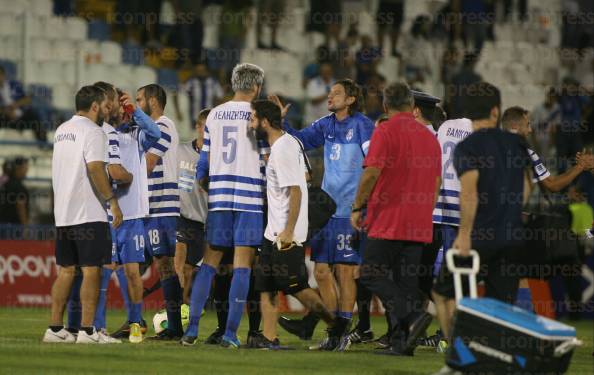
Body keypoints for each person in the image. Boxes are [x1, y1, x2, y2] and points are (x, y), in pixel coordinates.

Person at [431, 82, 532, 375]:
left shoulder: (468, 146)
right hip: (513, 237)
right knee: (502, 308)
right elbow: (527, 185)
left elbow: (469, 191)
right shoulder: (517, 143)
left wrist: (463, 235)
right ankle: (497, 364)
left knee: (443, 293)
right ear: (495, 111)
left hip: (479, 237)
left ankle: (460, 359)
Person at [272, 79, 374, 351]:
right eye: (329, 93)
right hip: (328, 209)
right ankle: (334, 330)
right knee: (321, 271)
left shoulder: (363, 125)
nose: (330, 97)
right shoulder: (326, 124)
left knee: (345, 272)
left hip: (350, 210)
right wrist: (282, 123)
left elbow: (373, 162)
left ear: (351, 99)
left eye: (337, 93)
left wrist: (363, 204)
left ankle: (342, 333)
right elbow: (300, 141)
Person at [350, 82, 441, 356]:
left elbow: (371, 172)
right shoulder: (429, 137)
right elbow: (436, 182)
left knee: (368, 273)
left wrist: (357, 207)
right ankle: (403, 344)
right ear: (413, 107)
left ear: (386, 106)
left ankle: (413, 317)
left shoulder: (385, 130)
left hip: (388, 218)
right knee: (406, 284)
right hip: (419, 221)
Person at [182, 63, 267, 348]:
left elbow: (203, 164)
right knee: (242, 266)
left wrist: (210, 187)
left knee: (209, 263)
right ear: (257, 87)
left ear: (234, 83)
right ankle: (230, 333)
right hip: (249, 200)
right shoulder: (259, 115)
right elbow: (268, 161)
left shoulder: (215, 114)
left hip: (219, 198)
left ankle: (192, 330)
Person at [250, 99, 339, 349]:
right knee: (265, 285)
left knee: (295, 286)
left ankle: (336, 326)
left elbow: (297, 190)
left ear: (265, 122)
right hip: (273, 231)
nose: (250, 123)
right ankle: (269, 339)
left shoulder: (283, 148)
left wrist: (289, 230)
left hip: (286, 232)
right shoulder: (284, 143)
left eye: (253, 119)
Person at [43, 85, 123, 344]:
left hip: (64, 213)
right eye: (104, 104)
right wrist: (112, 201)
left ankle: (55, 328)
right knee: (92, 271)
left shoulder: (62, 130)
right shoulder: (94, 131)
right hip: (88, 212)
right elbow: (96, 169)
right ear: (95, 106)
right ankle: (88, 331)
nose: (107, 109)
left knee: (66, 271)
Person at [139, 84, 183, 341]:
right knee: (161, 266)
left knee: (166, 266)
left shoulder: (164, 124)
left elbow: (147, 164)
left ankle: (176, 326)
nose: (136, 104)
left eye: (139, 99)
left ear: (153, 101)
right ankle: (168, 325)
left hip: (164, 206)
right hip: (153, 207)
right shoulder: (149, 129)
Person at [502, 106, 594, 192]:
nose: (530, 130)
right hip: (508, 208)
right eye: (527, 125)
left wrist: (578, 167)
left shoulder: (491, 147)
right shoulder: (525, 152)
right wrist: (581, 166)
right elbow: (552, 185)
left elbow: (552, 181)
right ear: (514, 127)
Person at [174, 108, 210, 304]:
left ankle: (182, 310)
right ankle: (172, 310)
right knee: (178, 262)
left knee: (189, 270)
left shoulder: (219, 158)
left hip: (202, 220)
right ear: (197, 127)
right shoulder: (180, 151)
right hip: (179, 215)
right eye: (206, 127)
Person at [0, 66, 45, 142]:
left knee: (33, 115)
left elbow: (27, 99)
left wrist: (15, 105)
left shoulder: (14, 85)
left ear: (4, 75)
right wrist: (7, 111)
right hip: (6, 118)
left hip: (21, 116)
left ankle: (44, 144)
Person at [174, 63, 223, 128]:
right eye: (198, 71)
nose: (200, 73)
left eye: (202, 70)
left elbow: (220, 96)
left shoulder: (213, 82)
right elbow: (179, 91)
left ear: (207, 71)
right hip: (196, 117)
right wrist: (178, 111)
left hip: (209, 117)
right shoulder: (192, 82)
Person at [0, 157, 29, 228]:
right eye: (25, 168)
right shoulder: (19, 187)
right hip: (15, 228)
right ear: (18, 169)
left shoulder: (4, 184)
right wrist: (25, 227)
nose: (26, 170)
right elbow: (20, 207)